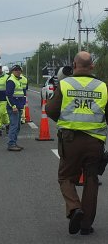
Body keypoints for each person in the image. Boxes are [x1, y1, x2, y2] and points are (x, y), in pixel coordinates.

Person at [46, 51, 108, 235]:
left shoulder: (65, 84)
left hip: (70, 140)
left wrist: (65, 122)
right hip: (95, 141)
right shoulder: (103, 87)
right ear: (92, 66)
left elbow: (50, 109)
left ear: (73, 65)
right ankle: (86, 225)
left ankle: (74, 208)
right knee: (91, 180)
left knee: (66, 177)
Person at [5, 65, 24, 151]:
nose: (18, 71)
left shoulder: (17, 80)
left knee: (17, 126)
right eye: (15, 70)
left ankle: (14, 143)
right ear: (12, 71)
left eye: (19, 70)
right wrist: (13, 106)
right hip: (14, 108)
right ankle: (11, 144)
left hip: (18, 107)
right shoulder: (11, 80)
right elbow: (8, 95)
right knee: (14, 126)